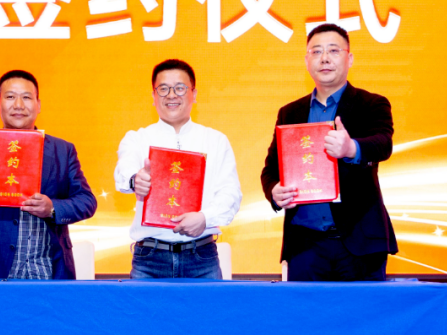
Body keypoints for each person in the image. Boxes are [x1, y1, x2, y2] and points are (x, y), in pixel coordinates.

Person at [260, 23, 398, 281]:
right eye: (316, 51)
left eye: (333, 50)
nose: (324, 58)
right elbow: (271, 170)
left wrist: (351, 148)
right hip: (305, 245)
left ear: (349, 58)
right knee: (305, 309)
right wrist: (274, 192)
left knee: (362, 309)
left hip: (359, 244)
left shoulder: (372, 104)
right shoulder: (290, 112)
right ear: (307, 60)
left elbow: (383, 144)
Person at [0, 70, 97, 279]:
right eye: (10, 97)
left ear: (38, 105)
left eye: (26, 97)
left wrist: (52, 208)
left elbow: (86, 201)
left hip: (48, 271)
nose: (18, 105)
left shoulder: (63, 151)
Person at [114, 59, 242, 279]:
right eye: (163, 89)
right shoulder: (137, 138)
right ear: (153, 96)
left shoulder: (215, 140)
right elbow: (124, 170)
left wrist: (205, 218)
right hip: (149, 260)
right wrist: (136, 180)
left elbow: (231, 194)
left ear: (194, 94)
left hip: (202, 258)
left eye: (180, 88)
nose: (171, 95)